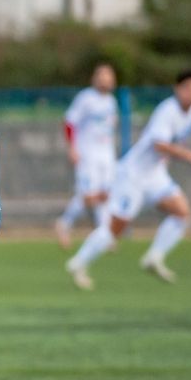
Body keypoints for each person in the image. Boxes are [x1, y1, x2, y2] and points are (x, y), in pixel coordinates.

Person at [65, 70, 191, 290]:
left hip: (155, 175)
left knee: (183, 213)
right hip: (133, 175)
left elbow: (174, 144)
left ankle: (154, 257)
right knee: (115, 229)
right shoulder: (168, 110)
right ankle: (78, 263)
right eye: (190, 87)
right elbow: (160, 144)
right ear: (178, 89)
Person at [55, 63, 119, 248]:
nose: (105, 80)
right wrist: (72, 148)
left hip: (106, 155)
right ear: (95, 78)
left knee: (105, 194)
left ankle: (104, 233)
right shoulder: (86, 98)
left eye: (109, 76)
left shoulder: (111, 102)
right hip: (87, 154)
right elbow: (69, 122)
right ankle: (64, 223)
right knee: (88, 196)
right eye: (102, 75)